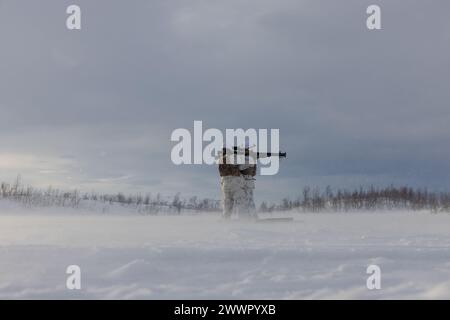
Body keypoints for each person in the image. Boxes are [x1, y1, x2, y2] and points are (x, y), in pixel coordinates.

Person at [218, 149, 245, 219]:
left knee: (227, 203)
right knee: (240, 201)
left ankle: (225, 219)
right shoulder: (233, 158)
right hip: (234, 183)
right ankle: (243, 219)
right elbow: (242, 167)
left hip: (225, 183)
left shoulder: (220, 159)